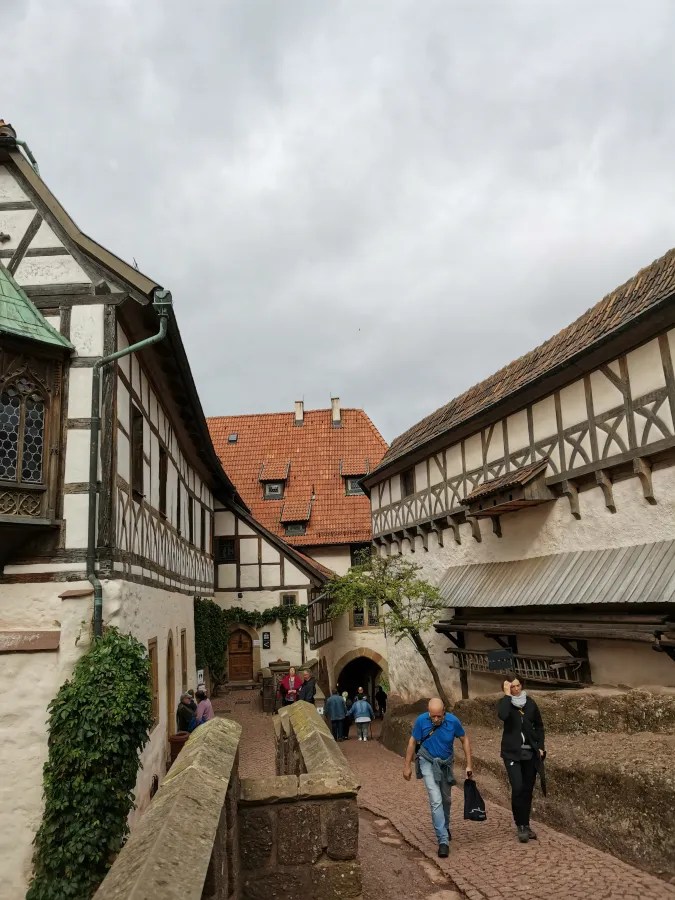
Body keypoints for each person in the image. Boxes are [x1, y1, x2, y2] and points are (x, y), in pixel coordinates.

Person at [403, 698, 473, 858]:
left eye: (438, 716)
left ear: (444, 713)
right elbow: (413, 741)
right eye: (432, 716)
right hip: (427, 760)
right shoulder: (421, 721)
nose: (435, 720)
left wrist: (469, 764)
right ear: (429, 712)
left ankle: (445, 826)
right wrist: (407, 766)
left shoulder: (453, 721)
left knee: (446, 799)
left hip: (446, 764)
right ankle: (442, 840)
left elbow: (464, 739)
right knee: (436, 800)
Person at [498, 674, 545, 843]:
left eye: (518, 686)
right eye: (512, 687)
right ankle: (520, 825)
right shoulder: (506, 704)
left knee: (527, 790)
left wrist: (540, 746)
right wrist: (506, 696)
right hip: (512, 753)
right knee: (517, 788)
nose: (516, 689)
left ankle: (525, 824)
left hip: (530, 753)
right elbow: (503, 715)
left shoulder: (530, 703)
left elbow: (539, 726)